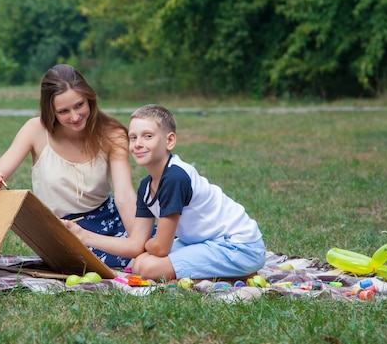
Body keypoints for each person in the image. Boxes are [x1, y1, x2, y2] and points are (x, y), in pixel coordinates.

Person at [64, 104, 266, 281]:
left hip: (239, 246)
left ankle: (237, 274)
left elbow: (160, 247)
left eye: (148, 136)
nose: (138, 144)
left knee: (151, 267)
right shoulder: (146, 186)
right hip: (205, 243)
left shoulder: (175, 178)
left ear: (169, 141)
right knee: (138, 264)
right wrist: (83, 235)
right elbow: (136, 246)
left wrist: (151, 245)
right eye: (133, 138)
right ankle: (218, 272)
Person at [0, 64, 136, 267]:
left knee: (161, 248)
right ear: (50, 110)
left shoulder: (112, 133)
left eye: (79, 105)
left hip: (109, 217)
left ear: (89, 98)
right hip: (61, 229)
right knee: (97, 263)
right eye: (63, 111)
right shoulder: (35, 130)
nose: (75, 116)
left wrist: (138, 242)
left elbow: (125, 195)